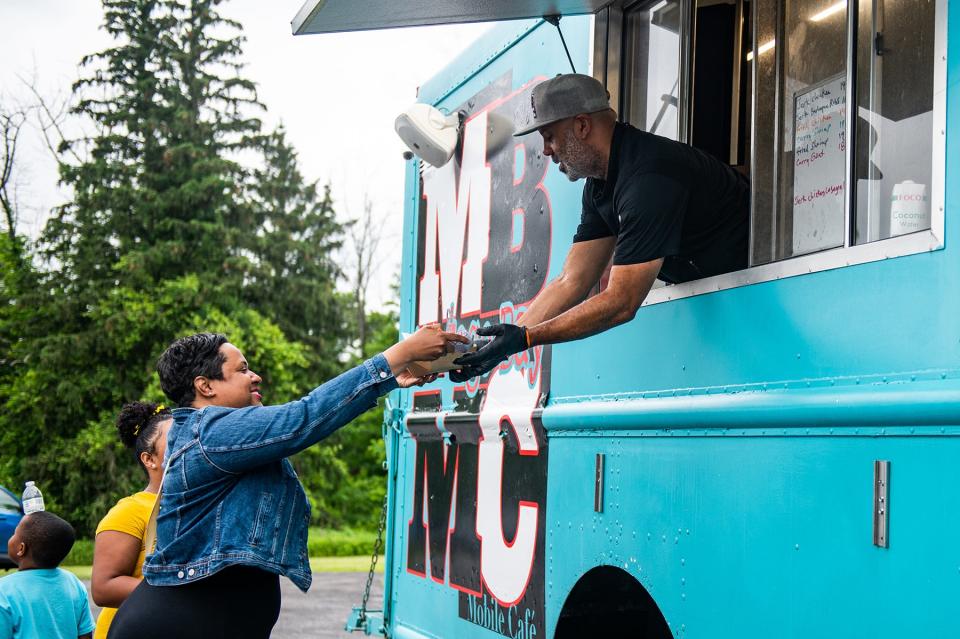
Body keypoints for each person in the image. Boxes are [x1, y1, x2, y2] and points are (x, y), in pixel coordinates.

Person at [107, 324, 465, 639]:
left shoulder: (213, 434)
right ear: (205, 386)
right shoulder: (211, 430)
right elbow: (304, 417)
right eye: (242, 369)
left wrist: (389, 377)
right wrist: (398, 354)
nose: (256, 376)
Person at [452, 73, 750, 380]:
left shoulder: (648, 177)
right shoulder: (599, 183)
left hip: (755, 293)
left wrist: (528, 338)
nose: (546, 150)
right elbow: (572, 279)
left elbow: (621, 301)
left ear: (582, 126)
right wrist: (505, 342)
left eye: (550, 136)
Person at [91, 402, 172, 639]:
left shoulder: (199, 504)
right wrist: (180, 592)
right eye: (174, 439)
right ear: (150, 459)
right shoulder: (130, 511)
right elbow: (104, 587)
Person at [0, 511, 96, 639]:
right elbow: (85, 635)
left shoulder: (4, 590)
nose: (11, 537)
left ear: (21, 549)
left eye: (14, 533)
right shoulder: (73, 583)